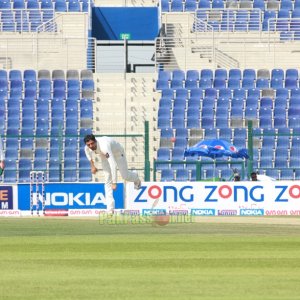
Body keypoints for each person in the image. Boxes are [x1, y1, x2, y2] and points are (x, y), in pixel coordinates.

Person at [84, 134, 141, 213]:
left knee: (125, 176)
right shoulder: (87, 147)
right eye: (88, 144)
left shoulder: (104, 146)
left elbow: (113, 164)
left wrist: (114, 182)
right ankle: (110, 209)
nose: (90, 146)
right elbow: (88, 155)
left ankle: (136, 177)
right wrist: (92, 166)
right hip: (103, 155)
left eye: (92, 143)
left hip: (118, 153)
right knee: (107, 180)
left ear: (95, 141)